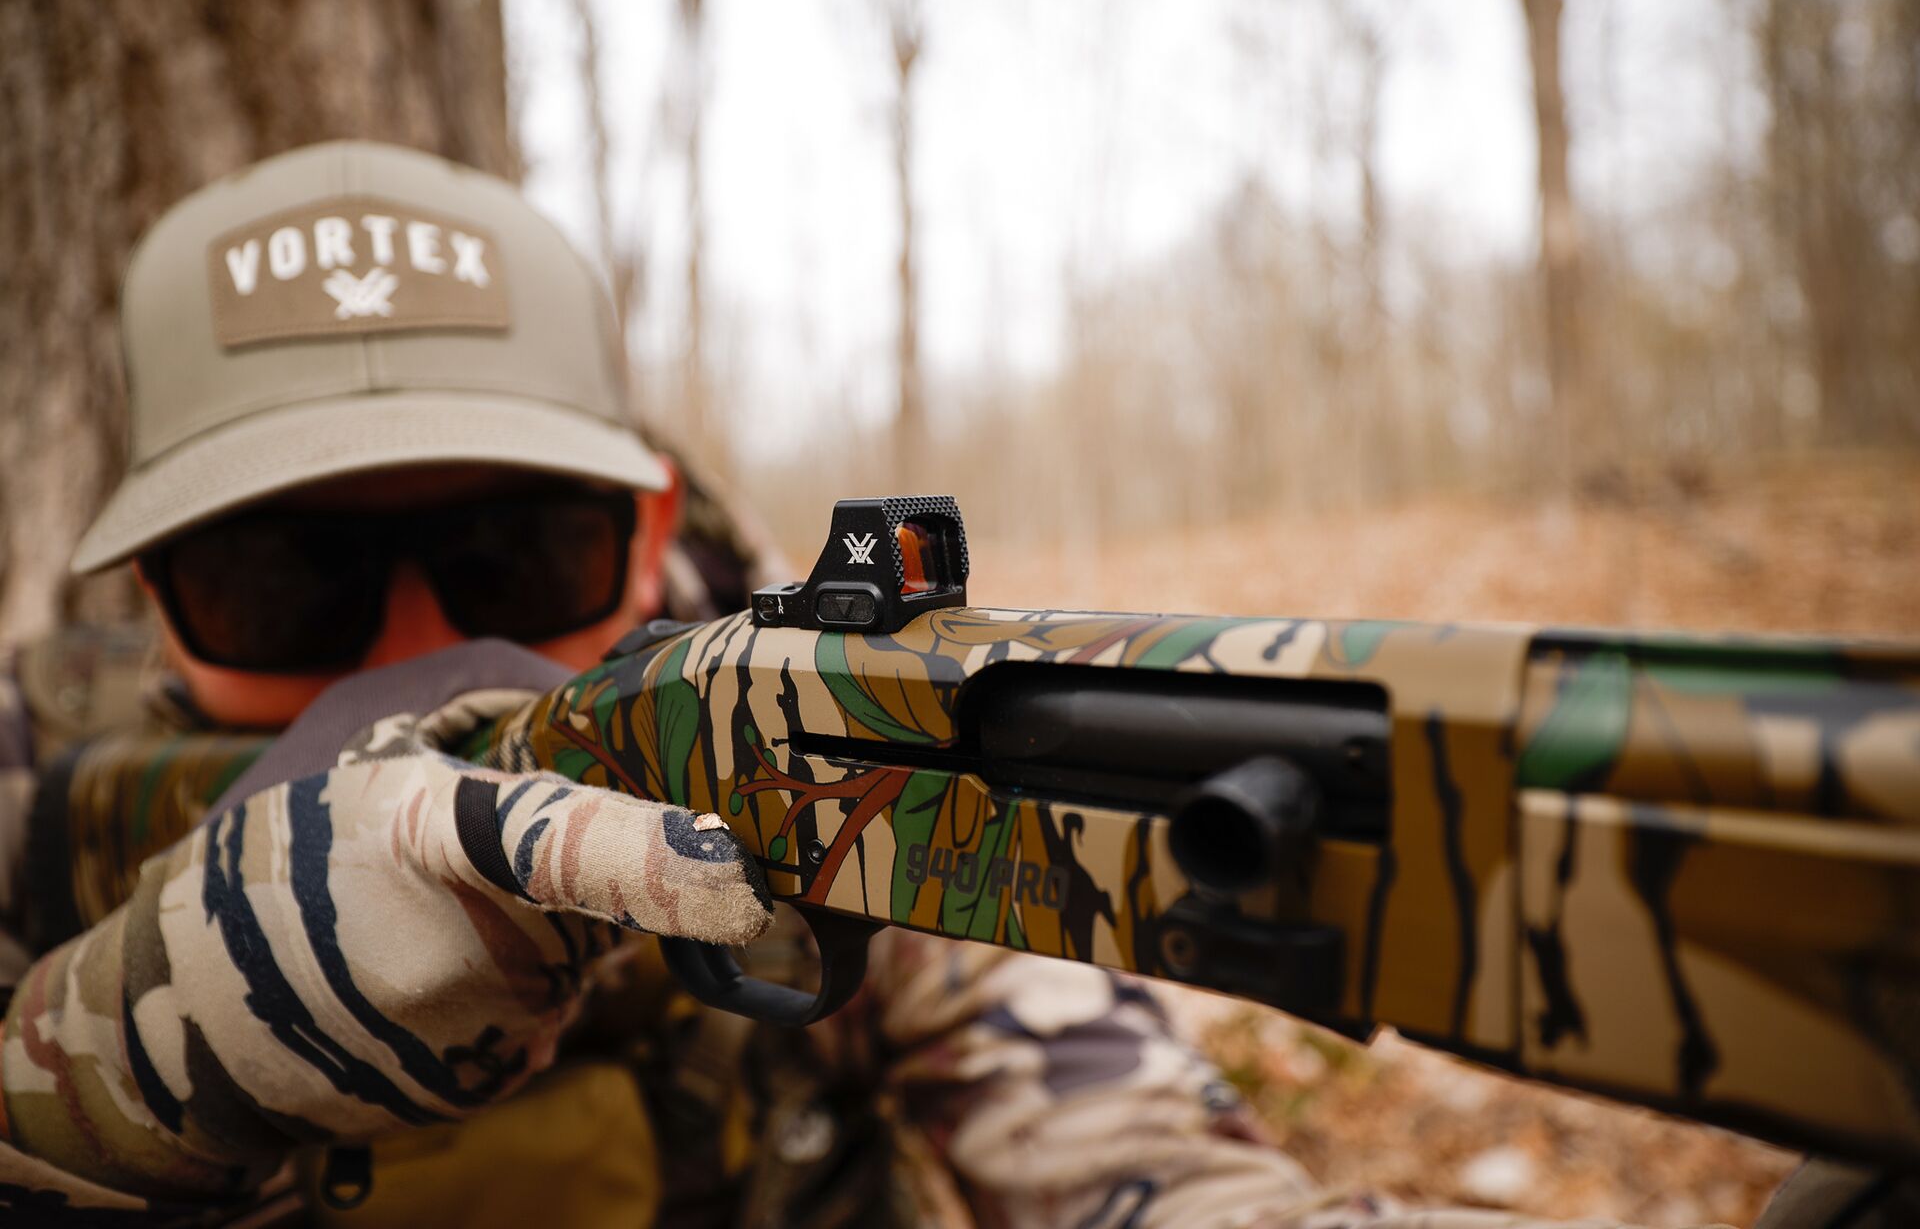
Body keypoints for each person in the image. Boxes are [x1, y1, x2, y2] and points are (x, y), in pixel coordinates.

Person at [0, 140, 1673, 1228]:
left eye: (517, 555)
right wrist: (113, 1084)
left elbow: (1132, 1158)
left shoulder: (785, 742)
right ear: (152, 597)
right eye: (284, 582)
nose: (409, 652)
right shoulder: (27, 797)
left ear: (649, 533)